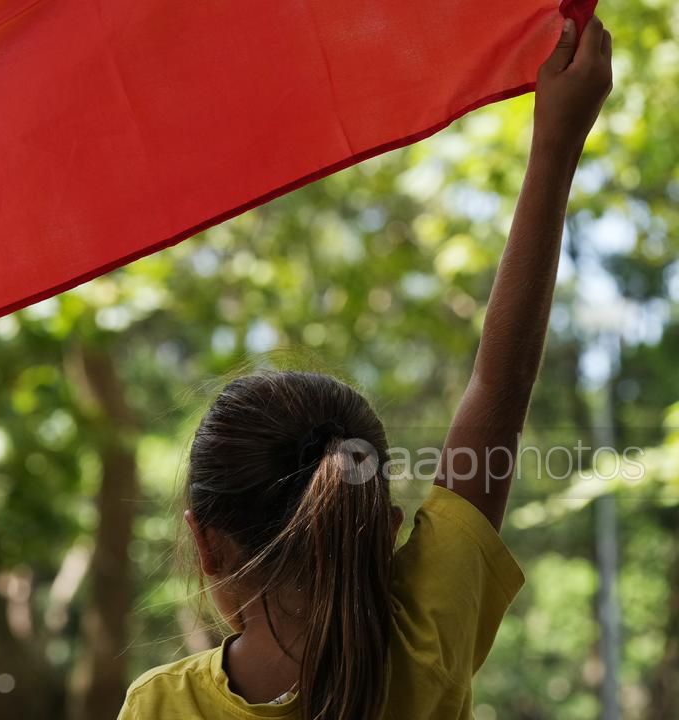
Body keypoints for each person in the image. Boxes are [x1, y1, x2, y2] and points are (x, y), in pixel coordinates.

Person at [118, 15, 613, 720]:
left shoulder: (159, 707)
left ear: (206, 544)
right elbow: (500, 387)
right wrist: (556, 145)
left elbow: (500, 389)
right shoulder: (424, 644)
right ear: (383, 529)